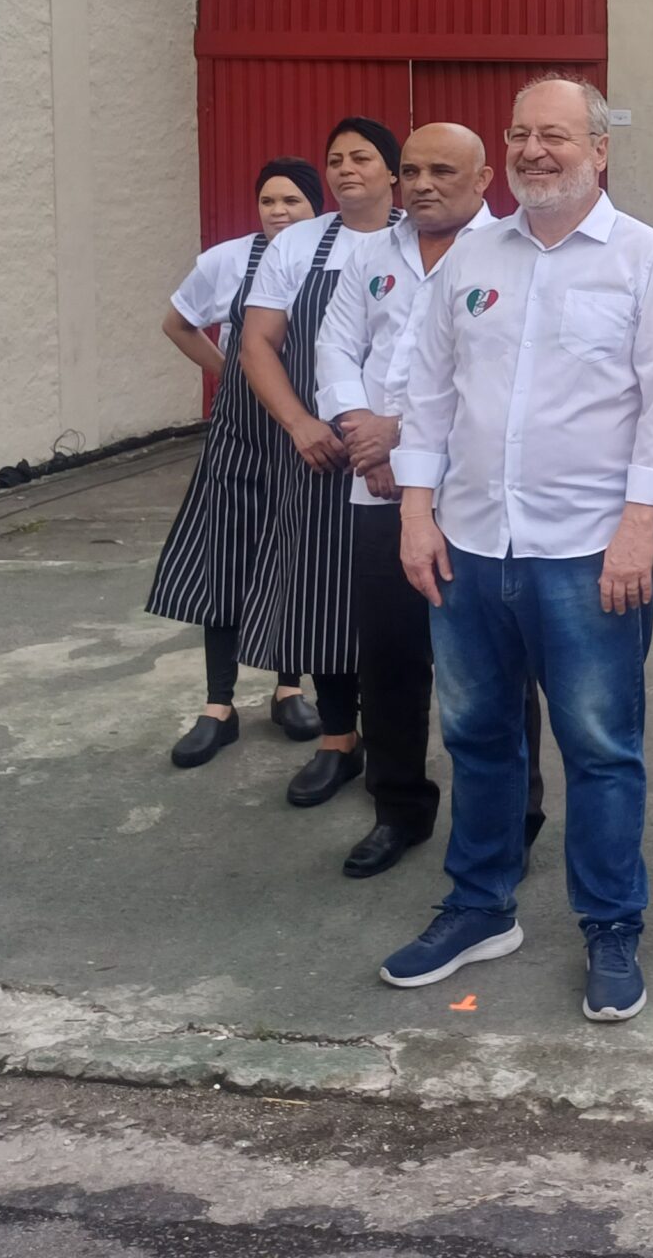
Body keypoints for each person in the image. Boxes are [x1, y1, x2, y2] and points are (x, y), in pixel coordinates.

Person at [382, 75, 653, 1023]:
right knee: (478, 737)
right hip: (471, 545)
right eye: (519, 135)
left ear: (599, 149)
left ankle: (610, 925)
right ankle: (480, 907)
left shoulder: (645, 261)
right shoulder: (473, 258)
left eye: (554, 136)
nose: (533, 151)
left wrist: (637, 528)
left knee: (601, 749)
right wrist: (414, 511)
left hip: (589, 553)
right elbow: (430, 395)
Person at [313, 122, 546, 881]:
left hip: (477, 492)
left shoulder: (515, 256)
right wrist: (362, 437)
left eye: (442, 170)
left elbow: (506, 379)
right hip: (375, 486)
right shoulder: (369, 256)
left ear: (484, 180)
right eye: (409, 170)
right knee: (389, 657)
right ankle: (400, 809)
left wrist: (399, 435)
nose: (420, 185)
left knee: (497, 662)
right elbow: (335, 350)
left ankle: (516, 815)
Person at [240, 118, 403, 810]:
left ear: (394, 171)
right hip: (317, 451)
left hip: (403, 452)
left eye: (361, 157)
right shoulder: (298, 244)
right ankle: (339, 739)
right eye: (334, 160)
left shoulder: (422, 239)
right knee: (321, 594)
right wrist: (301, 423)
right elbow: (257, 345)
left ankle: (400, 746)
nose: (344, 170)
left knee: (398, 602)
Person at [147, 156, 328, 767]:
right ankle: (217, 707)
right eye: (269, 201)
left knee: (296, 561)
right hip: (242, 436)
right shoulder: (226, 260)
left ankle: (288, 688)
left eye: (293, 202)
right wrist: (234, 371)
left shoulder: (330, 257)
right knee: (223, 560)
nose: (279, 212)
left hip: (306, 434)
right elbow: (177, 323)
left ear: (316, 206)